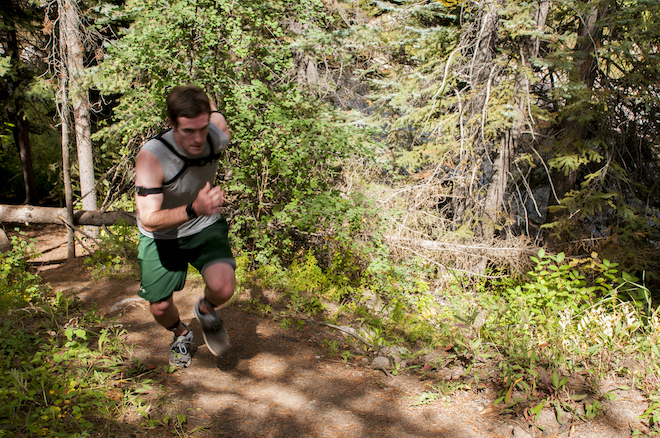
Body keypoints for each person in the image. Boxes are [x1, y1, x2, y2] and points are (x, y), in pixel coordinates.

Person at [134, 85, 235, 367]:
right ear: (171, 124)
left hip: (203, 225)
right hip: (161, 234)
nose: (198, 138)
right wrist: (193, 208)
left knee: (224, 287)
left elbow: (218, 119)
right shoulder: (152, 157)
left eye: (202, 128)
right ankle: (181, 332)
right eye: (188, 131)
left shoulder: (215, 135)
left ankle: (206, 309)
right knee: (160, 306)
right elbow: (149, 219)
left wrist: (207, 102)